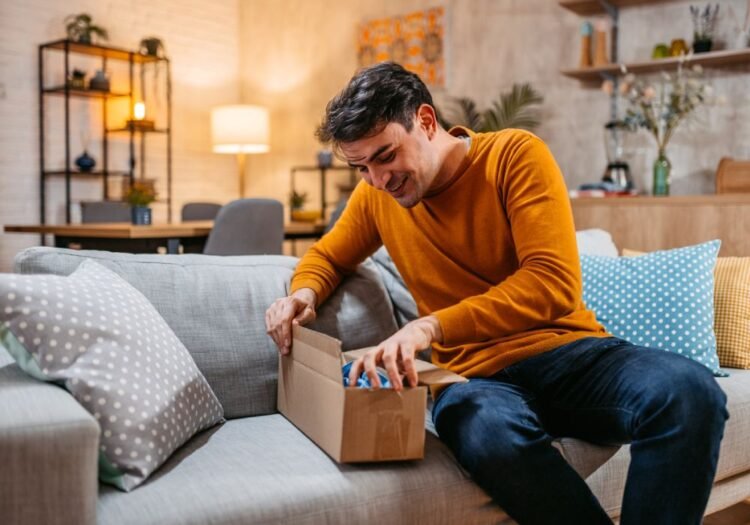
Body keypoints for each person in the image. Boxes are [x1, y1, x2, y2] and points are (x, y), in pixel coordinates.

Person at [264, 62, 728, 525]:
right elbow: (328, 256)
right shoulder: (375, 197)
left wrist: (430, 326)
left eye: (385, 156)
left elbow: (552, 282)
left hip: (567, 355)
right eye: (361, 167)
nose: (378, 179)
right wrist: (303, 293)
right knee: (486, 433)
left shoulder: (513, 156)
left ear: (425, 121)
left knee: (689, 393)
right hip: (473, 380)